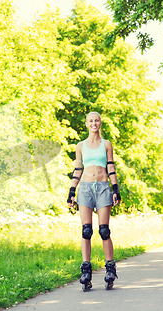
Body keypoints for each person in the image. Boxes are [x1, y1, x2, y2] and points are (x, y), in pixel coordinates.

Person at [67, 112, 121, 290]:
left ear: (100, 123)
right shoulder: (80, 145)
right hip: (85, 188)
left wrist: (115, 190)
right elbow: (77, 168)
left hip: (103, 187)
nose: (94, 123)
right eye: (91, 121)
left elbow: (111, 166)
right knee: (86, 230)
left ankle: (110, 268)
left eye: (96, 120)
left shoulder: (106, 144)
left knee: (104, 231)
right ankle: (85, 270)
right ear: (86, 123)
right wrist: (72, 191)